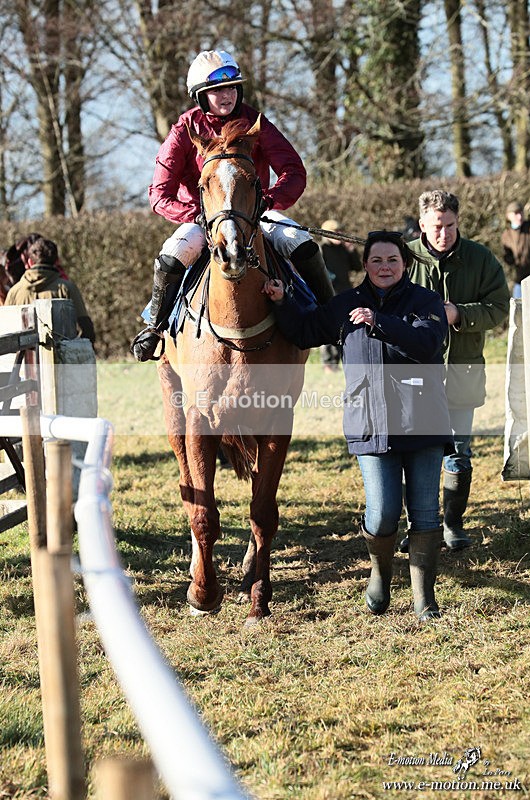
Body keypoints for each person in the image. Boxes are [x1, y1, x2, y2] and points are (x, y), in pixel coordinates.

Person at [263, 231, 453, 622]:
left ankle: (424, 600)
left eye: (393, 261)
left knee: (425, 514)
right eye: (377, 261)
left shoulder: (426, 302)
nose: (385, 268)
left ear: (406, 264)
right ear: (364, 265)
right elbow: (304, 331)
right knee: (382, 513)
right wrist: (282, 302)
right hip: (370, 423)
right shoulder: (345, 304)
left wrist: (378, 322)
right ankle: (380, 573)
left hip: (424, 423)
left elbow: (427, 344)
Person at [131, 49, 333, 362]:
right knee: (172, 257)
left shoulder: (256, 123)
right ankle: (155, 327)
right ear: (200, 96)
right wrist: (198, 215)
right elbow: (159, 193)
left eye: (231, 87)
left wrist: (269, 200)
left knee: (301, 244)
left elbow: (294, 170)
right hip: (202, 218)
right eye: (216, 91)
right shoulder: (184, 129)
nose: (226, 95)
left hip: (255, 212)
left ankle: (329, 318)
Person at [404, 189, 509, 552]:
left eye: (450, 225)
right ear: (422, 224)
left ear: (458, 221)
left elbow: (499, 308)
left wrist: (459, 314)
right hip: (413, 376)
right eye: (436, 226)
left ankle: (452, 525)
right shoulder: (403, 257)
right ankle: (417, 526)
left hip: (463, 373)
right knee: (414, 451)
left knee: (458, 453)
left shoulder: (480, 258)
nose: (443, 234)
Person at [5, 237, 95, 343]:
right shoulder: (67, 288)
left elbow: (5, 331)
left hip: (23, 359)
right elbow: (87, 330)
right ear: (57, 261)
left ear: (29, 262)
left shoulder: (14, 292)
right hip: (61, 357)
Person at [319, 219, 362, 372]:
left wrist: (351, 250)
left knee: (345, 330)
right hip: (328, 295)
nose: (340, 235)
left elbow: (357, 267)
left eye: (340, 232)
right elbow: (318, 272)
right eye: (336, 232)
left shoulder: (343, 249)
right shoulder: (321, 249)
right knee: (329, 329)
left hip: (345, 294)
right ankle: (329, 364)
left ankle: (343, 360)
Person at [501, 200, 530, 299]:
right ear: (508, 216)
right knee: (519, 309)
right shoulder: (506, 235)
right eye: (516, 213)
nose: (519, 216)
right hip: (519, 280)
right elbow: (508, 258)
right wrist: (509, 258)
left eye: (521, 212)